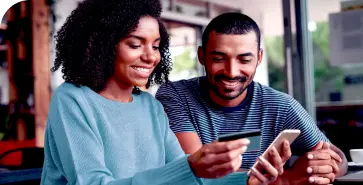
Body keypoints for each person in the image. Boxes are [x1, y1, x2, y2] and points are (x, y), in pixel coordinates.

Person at [40, 1, 284, 185]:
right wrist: (189, 168)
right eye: (135, 45)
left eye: (156, 46)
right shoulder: (73, 100)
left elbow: (187, 176)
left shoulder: (150, 106)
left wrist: (248, 180)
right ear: (104, 45)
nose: (150, 56)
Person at [155, 12, 348, 185]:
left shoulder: (281, 106)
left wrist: (319, 167)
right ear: (202, 56)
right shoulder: (176, 97)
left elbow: (339, 159)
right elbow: (197, 174)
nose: (231, 72)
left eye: (244, 60)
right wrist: (284, 180)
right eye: (219, 58)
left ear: (259, 58)